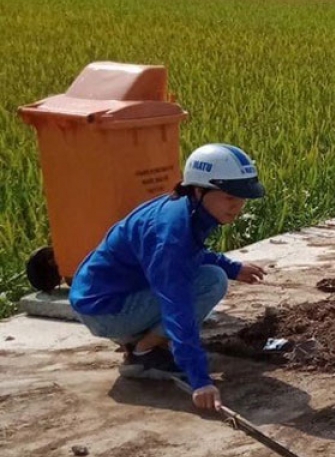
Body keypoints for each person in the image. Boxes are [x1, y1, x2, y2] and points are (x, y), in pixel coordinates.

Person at [69, 144, 268, 411]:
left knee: (214, 274)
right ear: (199, 190)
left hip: (112, 295)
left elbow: (192, 253)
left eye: (242, 199)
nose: (238, 207)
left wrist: (233, 267)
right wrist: (200, 381)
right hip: (106, 311)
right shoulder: (170, 235)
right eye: (230, 197)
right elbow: (177, 305)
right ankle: (145, 354)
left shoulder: (186, 209)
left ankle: (139, 339)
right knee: (210, 282)